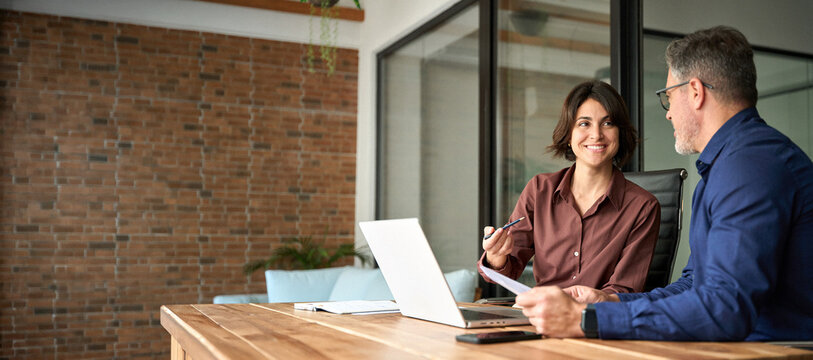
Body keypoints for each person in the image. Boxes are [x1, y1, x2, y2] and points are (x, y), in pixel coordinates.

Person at [515, 26, 813, 341]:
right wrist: (611, 301)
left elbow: (725, 309)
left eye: (668, 96)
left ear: (696, 92)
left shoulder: (749, 166)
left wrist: (591, 319)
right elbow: (694, 283)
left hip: (776, 350)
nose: (668, 114)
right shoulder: (725, 167)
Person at [478, 80, 661, 295]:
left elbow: (625, 290)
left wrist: (576, 303)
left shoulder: (643, 207)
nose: (596, 135)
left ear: (620, 133)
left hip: (597, 322)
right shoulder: (539, 190)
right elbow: (506, 270)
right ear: (568, 135)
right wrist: (496, 255)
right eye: (584, 123)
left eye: (608, 123)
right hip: (540, 319)